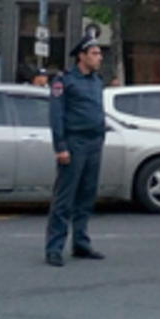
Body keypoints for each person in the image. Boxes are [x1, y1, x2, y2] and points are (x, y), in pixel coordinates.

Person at [45, 33, 107, 266]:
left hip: (93, 144)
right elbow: (56, 115)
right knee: (65, 198)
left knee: (86, 196)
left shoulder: (96, 81)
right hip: (74, 143)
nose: (99, 57)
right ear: (81, 56)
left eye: (99, 53)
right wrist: (60, 146)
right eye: (94, 53)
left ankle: (81, 242)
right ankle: (54, 247)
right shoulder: (65, 81)